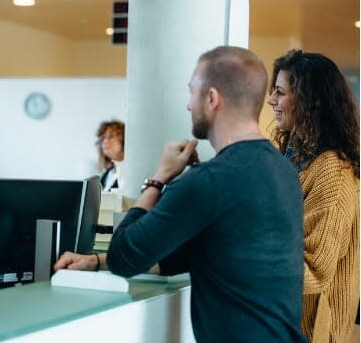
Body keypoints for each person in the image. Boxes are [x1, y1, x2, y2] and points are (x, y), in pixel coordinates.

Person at [55, 46, 306, 342]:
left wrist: (159, 179)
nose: (188, 105)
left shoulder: (209, 180)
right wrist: (96, 262)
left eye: (192, 93)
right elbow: (183, 256)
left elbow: (124, 257)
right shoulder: (282, 169)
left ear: (211, 99)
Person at [267, 49, 359, 343]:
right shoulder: (295, 157)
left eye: (280, 93)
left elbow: (313, 270)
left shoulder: (332, 170)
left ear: (309, 101)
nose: (271, 101)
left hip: (314, 333)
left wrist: (240, 253)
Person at [96, 120, 125, 191]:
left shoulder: (130, 173)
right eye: (103, 138)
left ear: (124, 139)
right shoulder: (106, 174)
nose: (105, 141)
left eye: (111, 136)